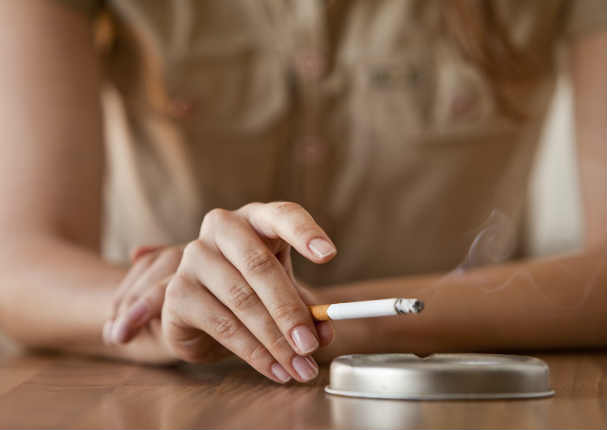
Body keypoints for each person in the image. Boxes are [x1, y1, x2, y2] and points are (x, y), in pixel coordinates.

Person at [0, 0, 603, 384]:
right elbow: (17, 261)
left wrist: (327, 321)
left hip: (458, 393)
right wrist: (172, 309)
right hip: (170, 394)